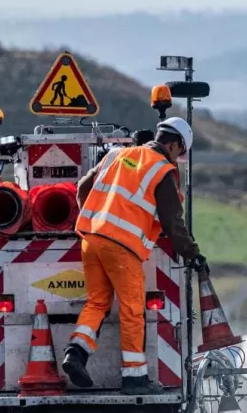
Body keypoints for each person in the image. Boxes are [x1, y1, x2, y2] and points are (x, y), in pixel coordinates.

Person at [62, 117, 207, 394]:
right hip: (122, 248)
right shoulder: (162, 171)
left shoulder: (118, 154)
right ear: (174, 145)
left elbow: (83, 187)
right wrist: (192, 253)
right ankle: (134, 378)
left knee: (97, 303)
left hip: (91, 239)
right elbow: (172, 222)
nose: (179, 158)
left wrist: (93, 215)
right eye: (180, 152)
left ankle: (76, 354)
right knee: (132, 310)